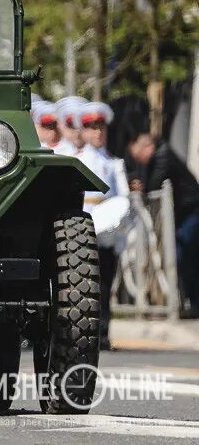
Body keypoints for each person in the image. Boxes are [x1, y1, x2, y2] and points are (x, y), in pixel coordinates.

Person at [75, 101, 130, 348]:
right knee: (84, 286)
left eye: (101, 128)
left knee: (106, 285)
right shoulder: (75, 160)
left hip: (107, 232)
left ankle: (103, 333)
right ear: (83, 132)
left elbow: (121, 200)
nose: (97, 133)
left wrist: (121, 238)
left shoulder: (113, 163)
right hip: (83, 229)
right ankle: (82, 334)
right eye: (91, 128)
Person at [128, 131, 199, 318]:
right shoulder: (158, 155)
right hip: (184, 214)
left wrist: (141, 186)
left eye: (139, 156)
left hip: (192, 212)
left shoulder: (163, 155)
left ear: (148, 148)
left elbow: (153, 183)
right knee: (182, 257)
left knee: (186, 257)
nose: (140, 161)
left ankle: (193, 304)